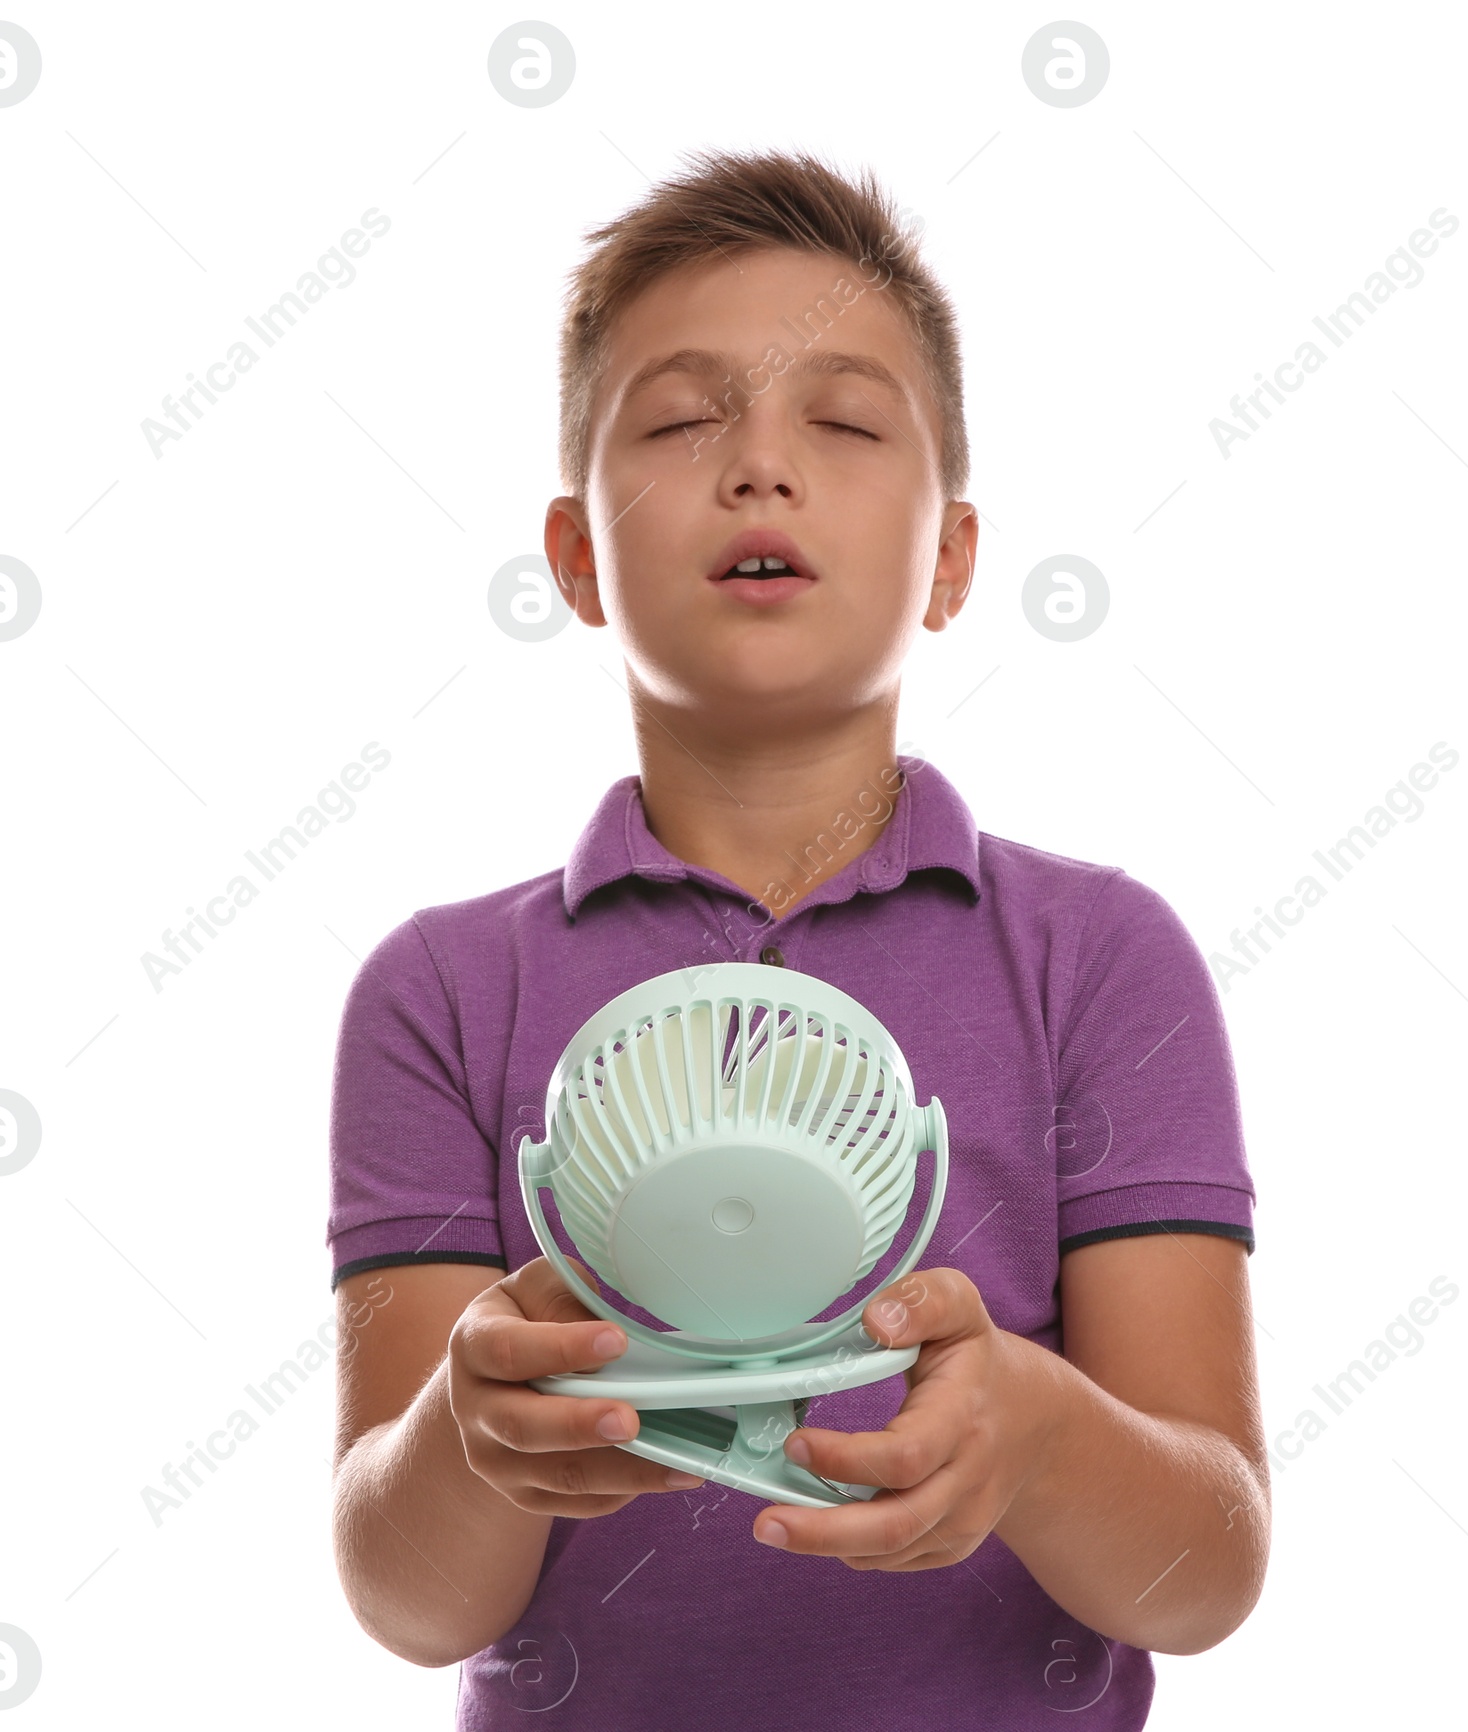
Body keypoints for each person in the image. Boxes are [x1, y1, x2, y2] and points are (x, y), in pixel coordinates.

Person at [326, 146, 1268, 1730]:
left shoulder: (1099, 958)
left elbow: (1206, 1571)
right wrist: (466, 1439)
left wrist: (1037, 1438)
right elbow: (411, 1602)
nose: (762, 467)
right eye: (687, 420)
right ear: (575, 558)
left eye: (840, 422)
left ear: (953, 558)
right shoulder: (441, 993)